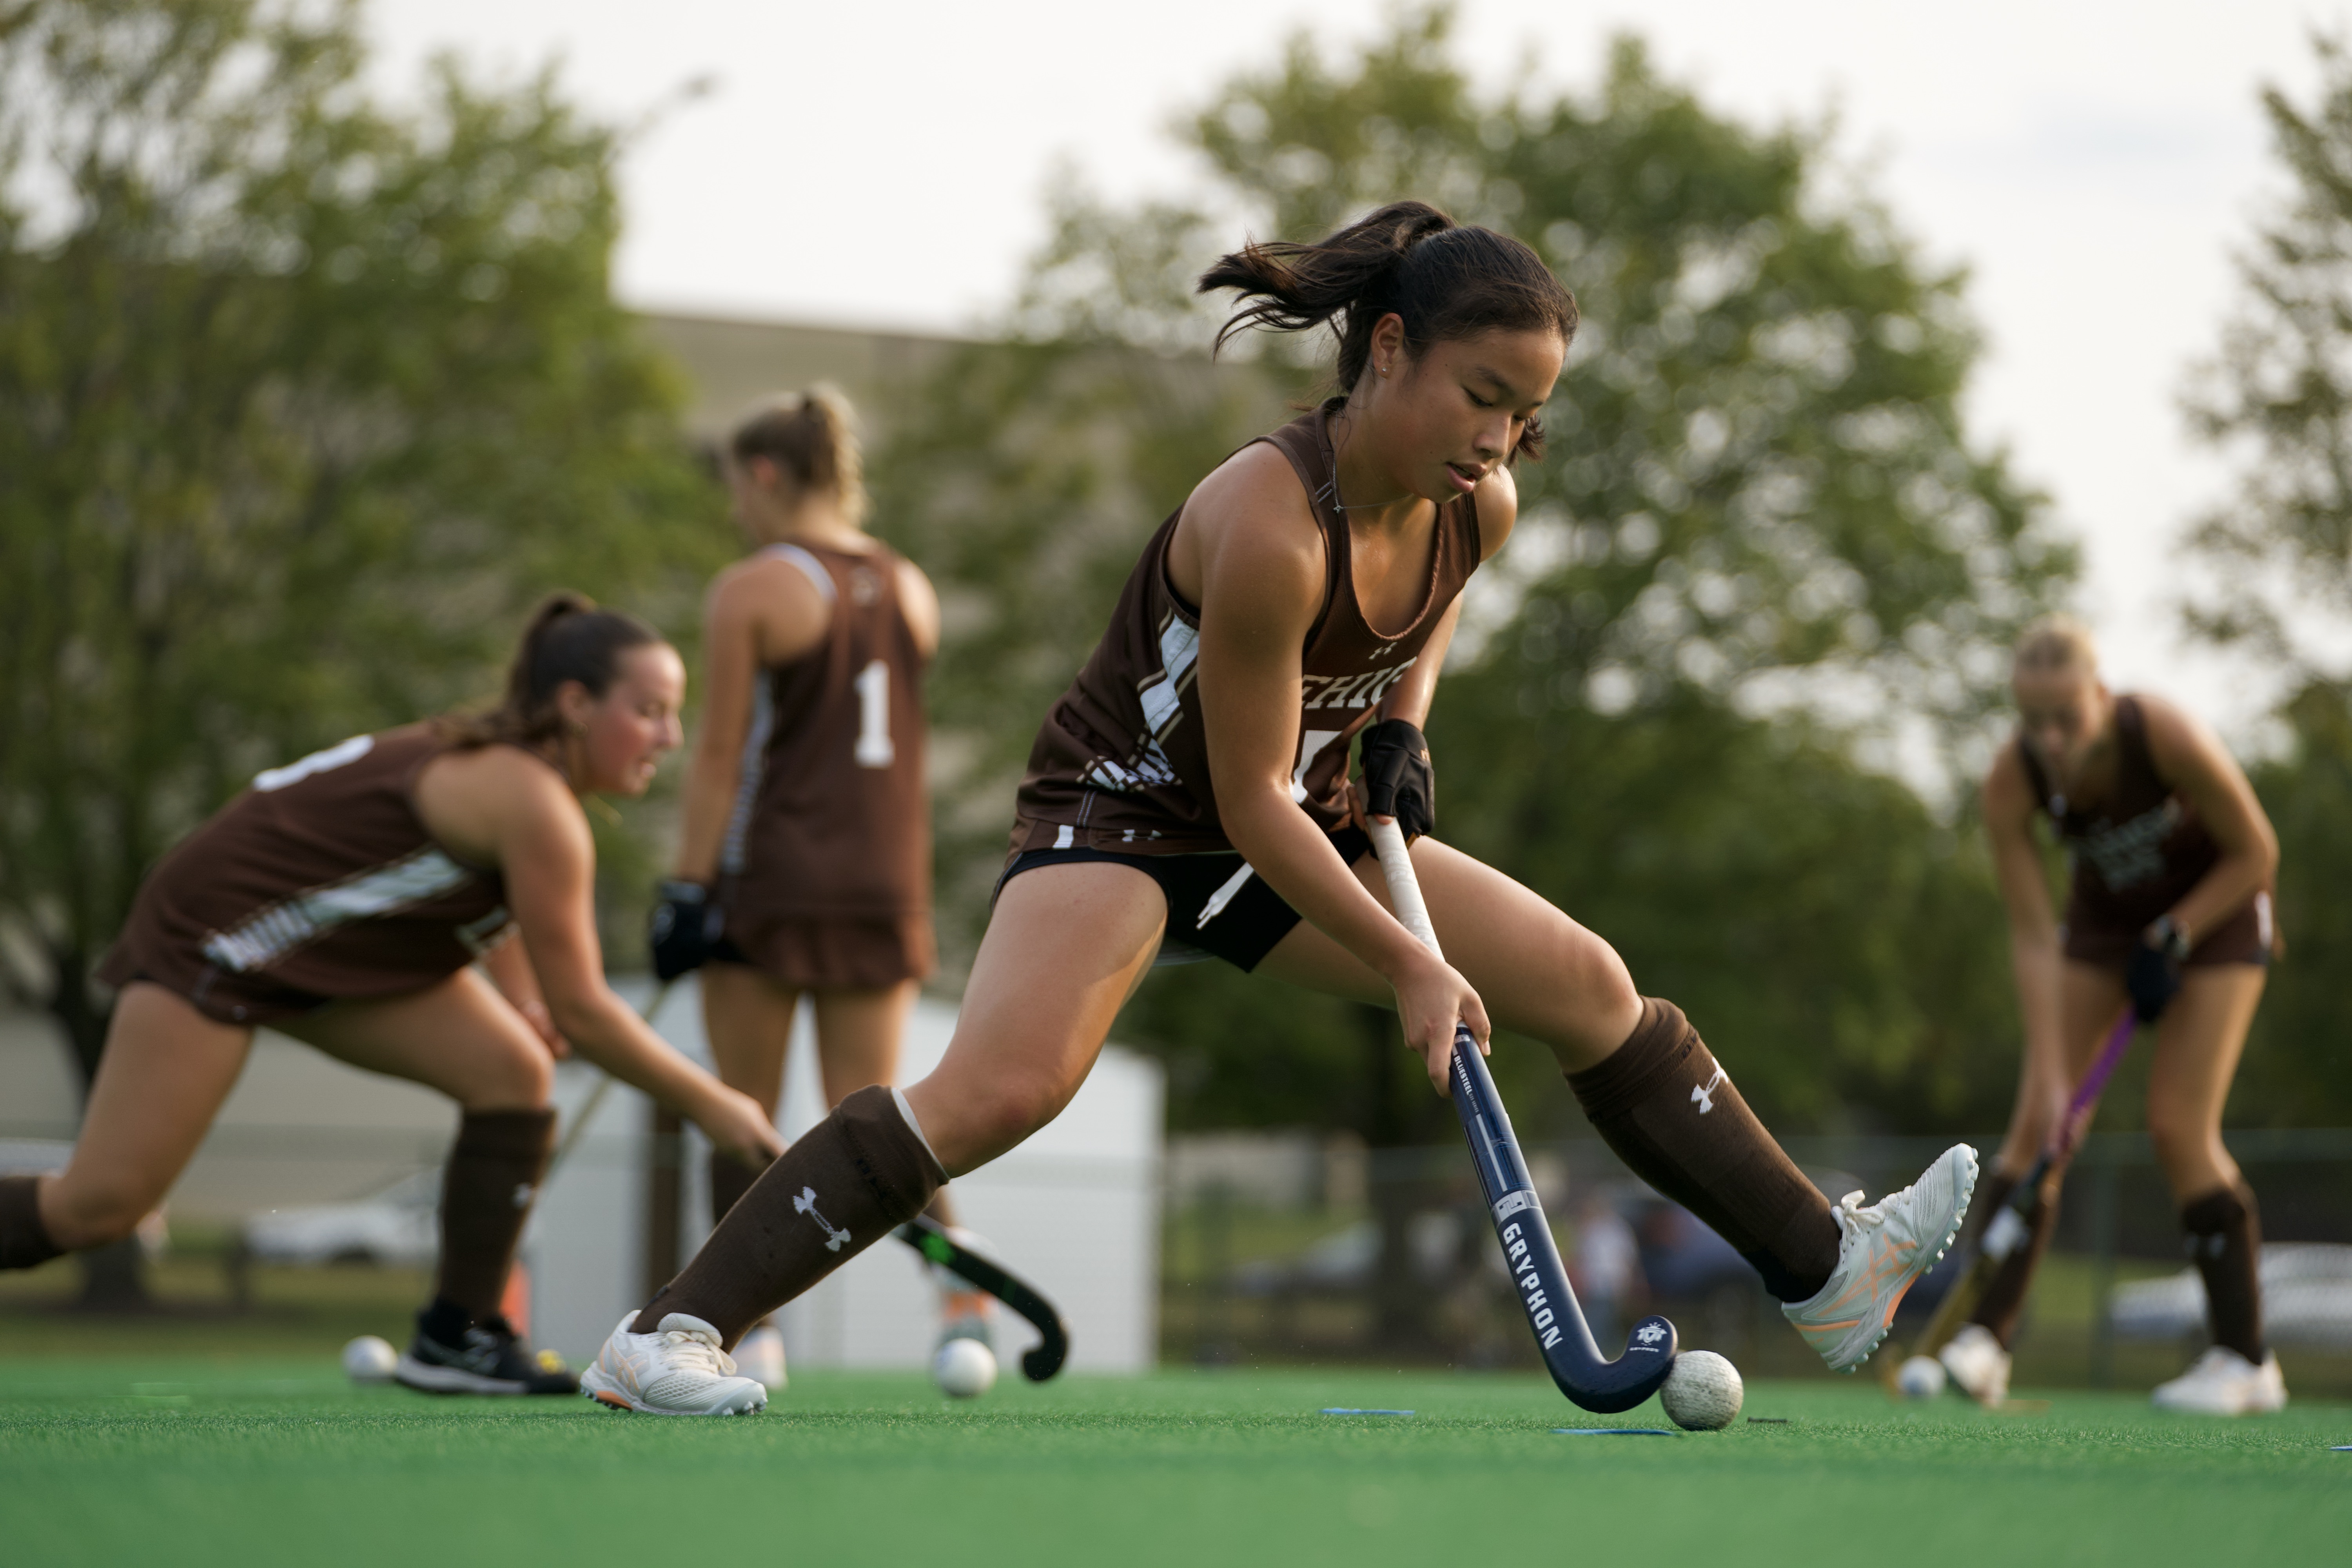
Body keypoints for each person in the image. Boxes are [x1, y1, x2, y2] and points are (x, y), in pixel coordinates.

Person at [578, 200, 1977, 1416]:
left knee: (1589, 984)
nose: (1499, 442)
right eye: (1480, 396)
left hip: (1297, 816)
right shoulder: (1268, 524)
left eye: (1526, 416)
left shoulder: (1473, 507)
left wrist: (1405, 731)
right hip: (1130, 816)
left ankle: (1828, 1274)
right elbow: (1240, 805)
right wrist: (1411, 964)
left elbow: (1418, 632)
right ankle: (668, 1335)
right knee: (1006, 1088)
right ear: (1386, 351)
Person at [0, 596, 784, 1396]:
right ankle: (459, 1337)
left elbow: (487, 898)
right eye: (649, 710)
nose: (671, 736)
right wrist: (714, 1103)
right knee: (100, 1206)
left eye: (673, 713)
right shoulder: (536, 803)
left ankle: (459, 1337)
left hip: (325, 947)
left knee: (510, 1067)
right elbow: (585, 1008)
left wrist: (519, 999)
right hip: (219, 938)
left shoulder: (515, 775)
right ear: (575, 704)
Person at [646, 388, 985, 1389]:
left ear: (762, 475)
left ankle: (739, 1329)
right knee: (875, 1121)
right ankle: (965, 1303)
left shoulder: (754, 586)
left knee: (740, 1111)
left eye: (734, 492)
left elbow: (721, 757)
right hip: (884, 883)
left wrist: (686, 886)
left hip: (777, 879)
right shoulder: (909, 582)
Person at [1941, 615, 2283, 1414]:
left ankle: (2245, 1360)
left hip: (2219, 916)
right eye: (2034, 720)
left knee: (2176, 1124)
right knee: (2043, 1119)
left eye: (2068, 717)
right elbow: (2034, 939)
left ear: (2101, 694)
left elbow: (2257, 851)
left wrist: (2179, 930)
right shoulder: (2011, 781)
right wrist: (2053, 1072)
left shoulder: (2161, 732)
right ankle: (1983, 1342)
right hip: (2102, 930)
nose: (2052, 738)